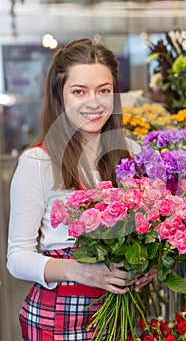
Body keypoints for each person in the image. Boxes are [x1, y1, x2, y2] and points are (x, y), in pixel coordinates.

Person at [7, 38, 157, 340]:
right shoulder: (38, 161)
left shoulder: (131, 151)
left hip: (122, 313)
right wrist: (80, 270)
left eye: (104, 90)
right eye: (79, 91)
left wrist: (145, 265)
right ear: (59, 96)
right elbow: (17, 258)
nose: (94, 102)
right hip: (58, 318)